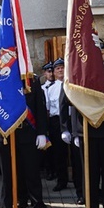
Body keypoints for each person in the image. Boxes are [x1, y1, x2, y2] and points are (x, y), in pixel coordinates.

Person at [61, 41, 104, 208]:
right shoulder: (79, 75)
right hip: (86, 132)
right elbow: (70, 106)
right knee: (88, 173)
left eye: (102, 52)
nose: (99, 55)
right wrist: (73, 131)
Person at [0, 76, 52, 208]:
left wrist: (41, 133)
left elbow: (40, 107)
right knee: (7, 176)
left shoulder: (32, 80)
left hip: (28, 133)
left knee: (32, 173)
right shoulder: (0, 78)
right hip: (7, 133)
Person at [45, 58, 68, 191]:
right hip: (56, 122)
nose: (60, 70)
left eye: (62, 67)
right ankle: (61, 181)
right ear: (53, 72)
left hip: (71, 120)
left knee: (77, 154)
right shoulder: (50, 89)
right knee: (59, 154)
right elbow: (48, 110)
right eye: (57, 68)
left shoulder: (73, 85)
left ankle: (80, 181)